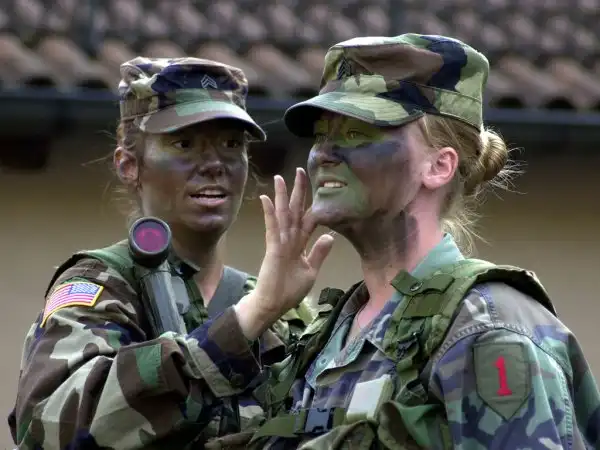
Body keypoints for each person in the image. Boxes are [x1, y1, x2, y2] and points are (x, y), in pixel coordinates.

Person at [240, 33, 600, 449]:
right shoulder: (327, 335)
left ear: (439, 166)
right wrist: (259, 308)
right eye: (322, 134)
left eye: (357, 133)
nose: (324, 154)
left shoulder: (485, 327)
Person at [8, 57, 325, 449]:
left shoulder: (285, 310)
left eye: (231, 144)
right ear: (128, 165)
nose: (214, 164)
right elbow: (51, 428)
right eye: (184, 144)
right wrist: (244, 323)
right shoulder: (103, 286)